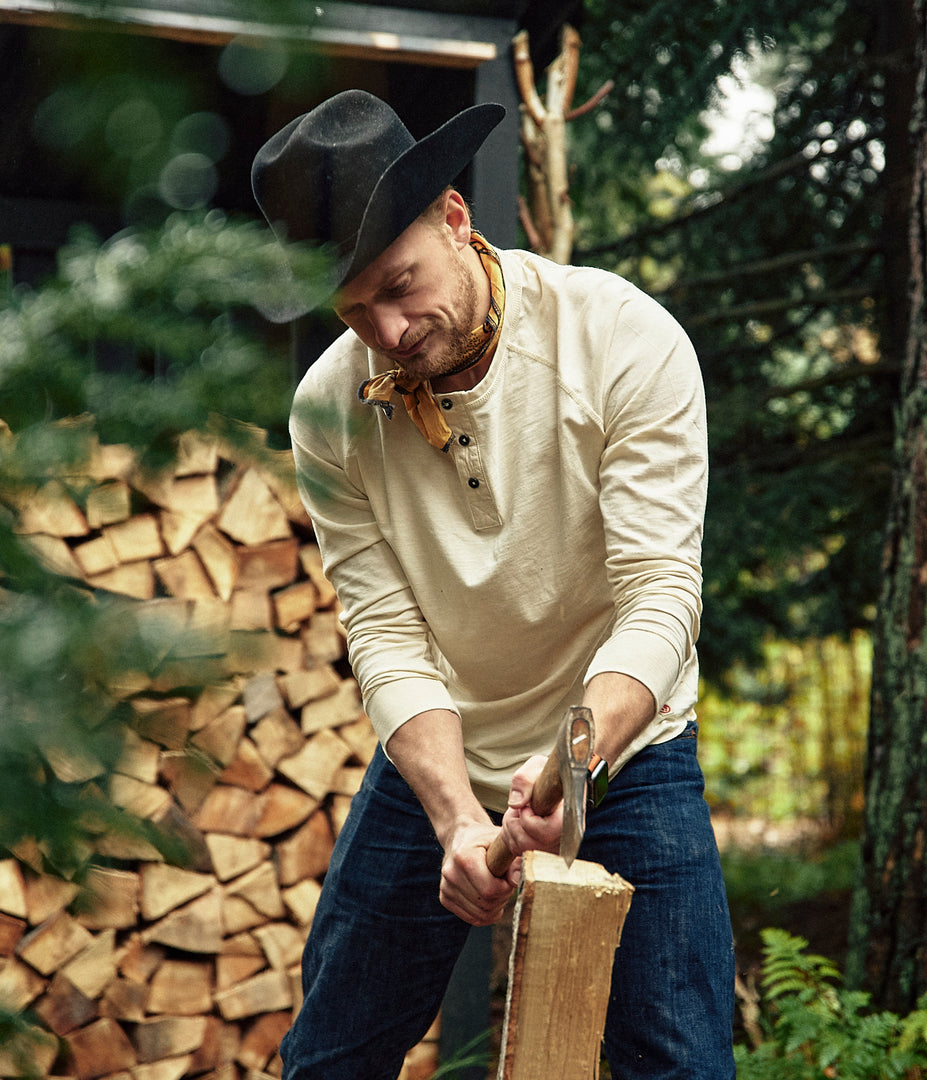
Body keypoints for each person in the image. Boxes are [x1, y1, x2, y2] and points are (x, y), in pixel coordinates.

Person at [251, 89, 735, 1080]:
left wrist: (574, 761)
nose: (387, 331)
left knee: (680, 1065)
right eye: (354, 312)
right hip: (442, 750)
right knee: (329, 1058)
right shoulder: (326, 410)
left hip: (626, 746)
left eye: (401, 285)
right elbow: (384, 632)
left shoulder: (625, 342)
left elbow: (661, 598)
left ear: (458, 221)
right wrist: (458, 820)